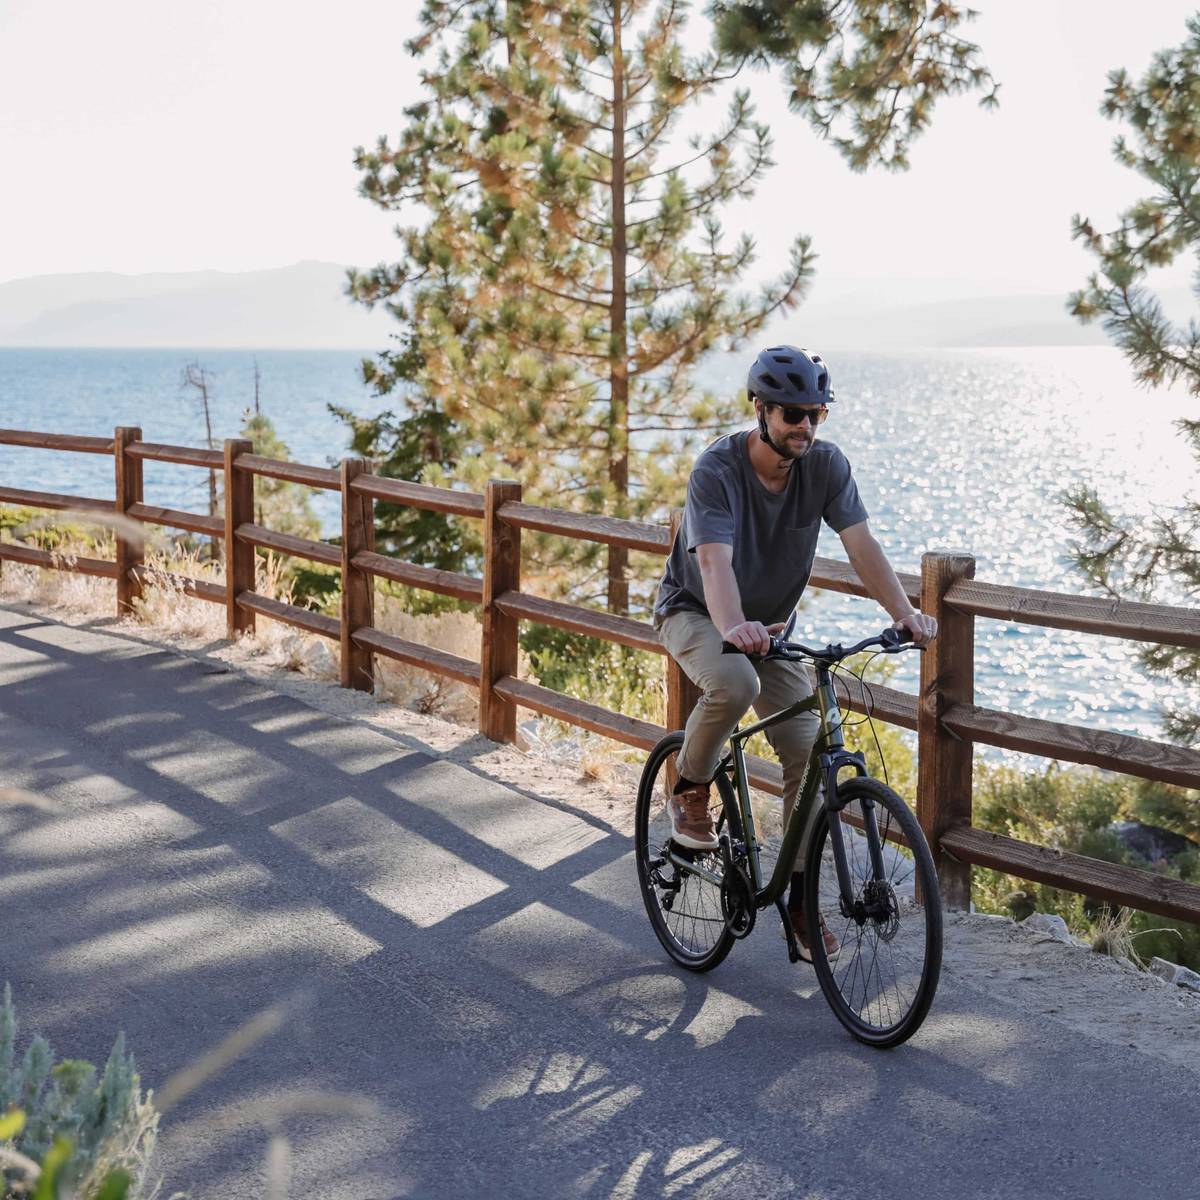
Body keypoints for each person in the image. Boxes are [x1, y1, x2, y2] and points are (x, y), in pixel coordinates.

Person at [653, 345, 937, 960]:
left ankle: (801, 901)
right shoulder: (717, 471)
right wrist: (735, 626)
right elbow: (713, 563)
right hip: (696, 611)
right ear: (760, 409)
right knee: (737, 683)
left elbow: (861, 545)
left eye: (816, 414)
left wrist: (904, 614)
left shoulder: (825, 467)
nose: (805, 425)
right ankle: (690, 789)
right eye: (792, 414)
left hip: (772, 629)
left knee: (810, 748)